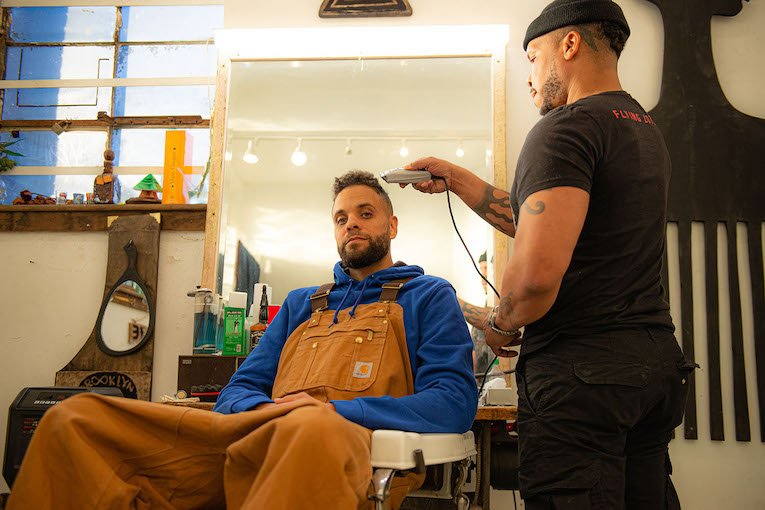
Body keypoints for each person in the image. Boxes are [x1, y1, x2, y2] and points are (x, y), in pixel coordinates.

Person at [7, 170, 478, 510]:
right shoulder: (303, 303)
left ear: (391, 226)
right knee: (75, 419)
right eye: (340, 218)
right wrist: (267, 411)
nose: (350, 223)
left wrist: (333, 411)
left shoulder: (428, 295)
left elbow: (453, 403)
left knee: (309, 428)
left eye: (365, 213)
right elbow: (238, 391)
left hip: (342, 447)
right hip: (257, 434)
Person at [402, 1, 695, 508]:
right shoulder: (641, 128)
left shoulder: (564, 128)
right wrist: (461, 180)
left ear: (570, 43)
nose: (529, 78)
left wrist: (500, 320)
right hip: (653, 366)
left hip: (583, 377)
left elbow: (535, 277)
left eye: (533, 58)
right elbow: (557, 225)